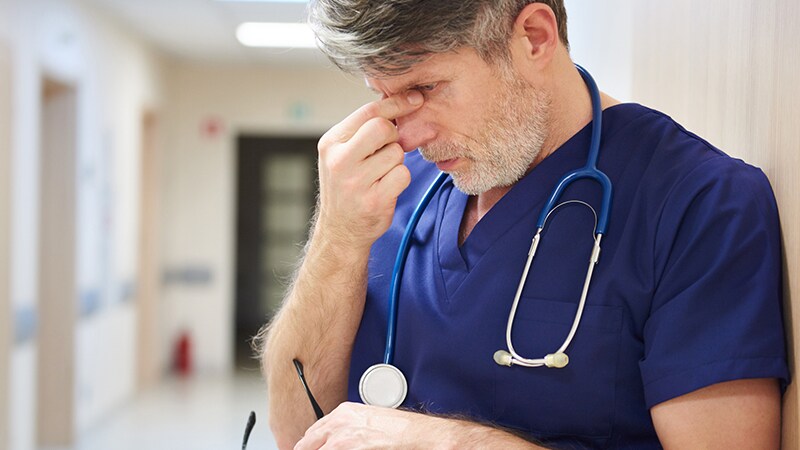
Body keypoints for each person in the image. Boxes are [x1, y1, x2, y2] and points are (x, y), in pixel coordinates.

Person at [258, 1, 789, 448]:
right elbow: (298, 431)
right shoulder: (385, 190)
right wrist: (337, 234)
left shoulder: (698, 202)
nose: (409, 134)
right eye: (387, 98)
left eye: (429, 88)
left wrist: (447, 442)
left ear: (534, 37)